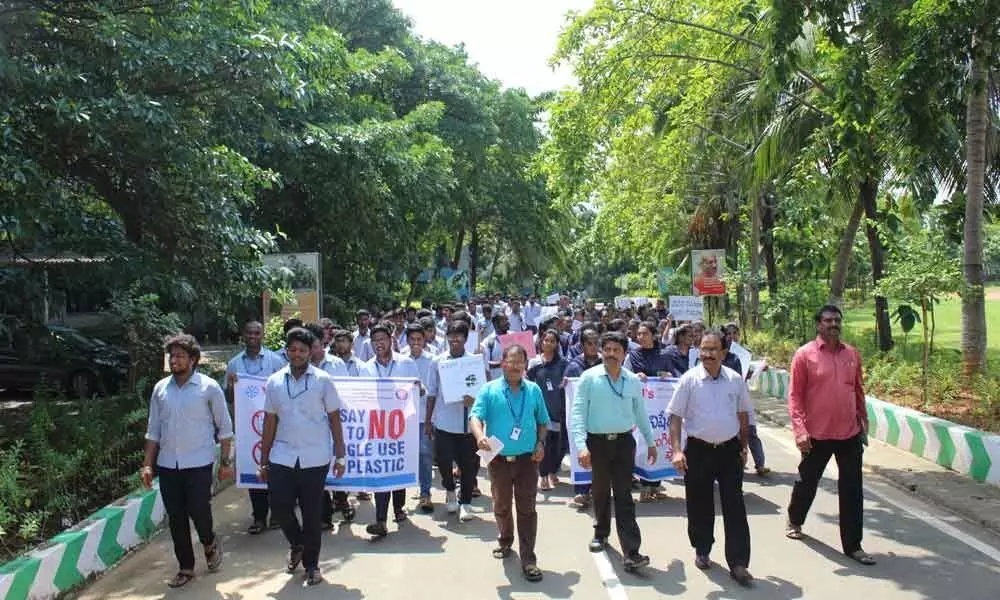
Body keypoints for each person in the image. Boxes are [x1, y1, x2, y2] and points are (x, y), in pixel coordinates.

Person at [786, 305, 875, 565]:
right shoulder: (804, 355)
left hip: (849, 432)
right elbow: (795, 397)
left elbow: (857, 389)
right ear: (818, 325)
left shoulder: (852, 354)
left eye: (837, 320)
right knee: (807, 482)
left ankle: (853, 545)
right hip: (817, 435)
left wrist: (863, 420)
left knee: (852, 490)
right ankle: (795, 519)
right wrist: (800, 431)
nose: (833, 324)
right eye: (828, 321)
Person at [143, 334, 233, 588]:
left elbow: (225, 428)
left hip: (199, 463)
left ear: (193, 360)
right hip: (169, 464)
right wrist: (148, 464)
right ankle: (185, 567)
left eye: (181, 356)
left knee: (199, 511)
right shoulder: (160, 389)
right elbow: (153, 431)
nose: (175, 360)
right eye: (172, 356)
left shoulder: (208, 387)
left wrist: (226, 462)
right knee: (176, 518)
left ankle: (209, 542)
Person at [258, 327, 347, 586]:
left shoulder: (322, 380)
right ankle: (297, 544)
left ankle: (312, 565)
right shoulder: (274, 381)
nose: (296, 354)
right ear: (287, 351)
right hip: (282, 456)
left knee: (311, 514)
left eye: (302, 350)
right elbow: (269, 422)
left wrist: (340, 455)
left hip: (314, 457)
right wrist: (263, 460)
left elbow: (334, 418)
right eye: (292, 350)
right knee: (281, 509)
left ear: (311, 352)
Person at [668, 329, 754, 586]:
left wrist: (744, 446)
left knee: (734, 506)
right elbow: (675, 417)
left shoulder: (735, 380)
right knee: (699, 504)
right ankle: (702, 548)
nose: (707, 354)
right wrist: (676, 450)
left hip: (729, 451)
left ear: (724, 353)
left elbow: (743, 415)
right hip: (698, 450)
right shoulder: (689, 380)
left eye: (713, 349)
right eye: (704, 349)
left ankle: (738, 563)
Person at [571, 331, 657, 571]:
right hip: (596, 443)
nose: (610, 354)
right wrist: (581, 446)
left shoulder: (632, 380)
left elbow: (640, 412)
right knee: (599, 491)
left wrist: (650, 442)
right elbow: (577, 414)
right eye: (606, 349)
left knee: (624, 495)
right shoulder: (589, 378)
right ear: (601, 352)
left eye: (616, 350)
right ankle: (600, 533)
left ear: (624, 354)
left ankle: (632, 551)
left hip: (623, 443)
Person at [470, 344, 549, 582]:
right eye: (511, 361)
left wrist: (540, 443)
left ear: (526, 365)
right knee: (502, 504)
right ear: (502, 363)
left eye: (520, 362)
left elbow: (543, 421)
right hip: (498, 458)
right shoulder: (489, 389)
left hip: (527, 459)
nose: (515, 366)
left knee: (527, 508)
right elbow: (475, 416)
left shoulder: (533, 390)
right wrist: (479, 435)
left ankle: (529, 559)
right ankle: (505, 540)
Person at [361, 322, 421, 539]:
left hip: (402, 425)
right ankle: (380, 520)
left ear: (391, 340)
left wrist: (416, 391)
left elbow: (417, 388)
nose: (379, 344)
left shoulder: (406, 363)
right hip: (377, 427)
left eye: (382, 339)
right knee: (382, 469)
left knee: (398, 464)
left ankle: (398, 508)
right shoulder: (365, 368)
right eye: (375, 340)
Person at [225, 321, 285, 535]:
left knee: (276, 468)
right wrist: (232, 385)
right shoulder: (233, 365)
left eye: (256, 333)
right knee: (253, 468)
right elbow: (229, 398)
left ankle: (277, 513)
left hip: (275, 423)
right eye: (249, 332)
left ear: (262, 335)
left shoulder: (276, 362)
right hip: (247, 427)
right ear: (243, 335)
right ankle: (259, 517)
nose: (252, 336)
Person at [426, 320, 480, 522]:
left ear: (466, 339)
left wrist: (473, 399)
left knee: (468, 467)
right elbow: (432, 392)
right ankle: (450, 490)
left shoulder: (474, 361)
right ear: (446, 337)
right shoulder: (438, 361)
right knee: (443, 462)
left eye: (459, 336)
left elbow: (482, 392)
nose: (454, 340)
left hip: (468, 425)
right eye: (451, 335)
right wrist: (428, 420)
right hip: (444, 422)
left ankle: (465, 503)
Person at [624, 321, 673, 502]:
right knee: (643, 443)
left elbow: (673, 376)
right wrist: (635, 377)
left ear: (654, 335)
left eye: (644, 334)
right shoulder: (633, 356)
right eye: (638, 334)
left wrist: (667, 377)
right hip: (639, 407)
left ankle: (654, 484)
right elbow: (624, 375)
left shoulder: (665, 355)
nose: (640, 337)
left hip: (659, 411)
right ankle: (644, 483)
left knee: (659, 442)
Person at [563, 329, 602, 507]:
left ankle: (598, 488)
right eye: (589, 344)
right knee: (581, 449)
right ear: (582, 345)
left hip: (600, 417)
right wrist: (563, 384)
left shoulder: (605, 363)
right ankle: (581, 491)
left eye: (596, 343)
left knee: (600, 452)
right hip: (581, 416)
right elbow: (566, 388)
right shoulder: (574, 365)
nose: (593, 347)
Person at [527, 329, 568, 491]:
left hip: (559, 409)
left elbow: (570, 380)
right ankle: (543, 476)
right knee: (544, 443)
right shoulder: (534, 362)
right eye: (546, 340)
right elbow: (528, 382)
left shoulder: (564, 363)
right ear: (541, 342)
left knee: (559, 446)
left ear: (557, 344)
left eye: (552, 341)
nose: (548, 343)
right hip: (542, 409)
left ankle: (553, 471)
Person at [401, 323, 436, 512]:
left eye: (419, 339)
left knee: (425, 455)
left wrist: (423, 390)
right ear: (407, 341)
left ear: (425, 340)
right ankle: (401, 498)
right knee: (405, 455)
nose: (415, 343)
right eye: (412, 340)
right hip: (403, 417)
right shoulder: (400, 360)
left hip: (424, 415)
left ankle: (425, 493)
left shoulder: (432, 360)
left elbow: (436, 389)